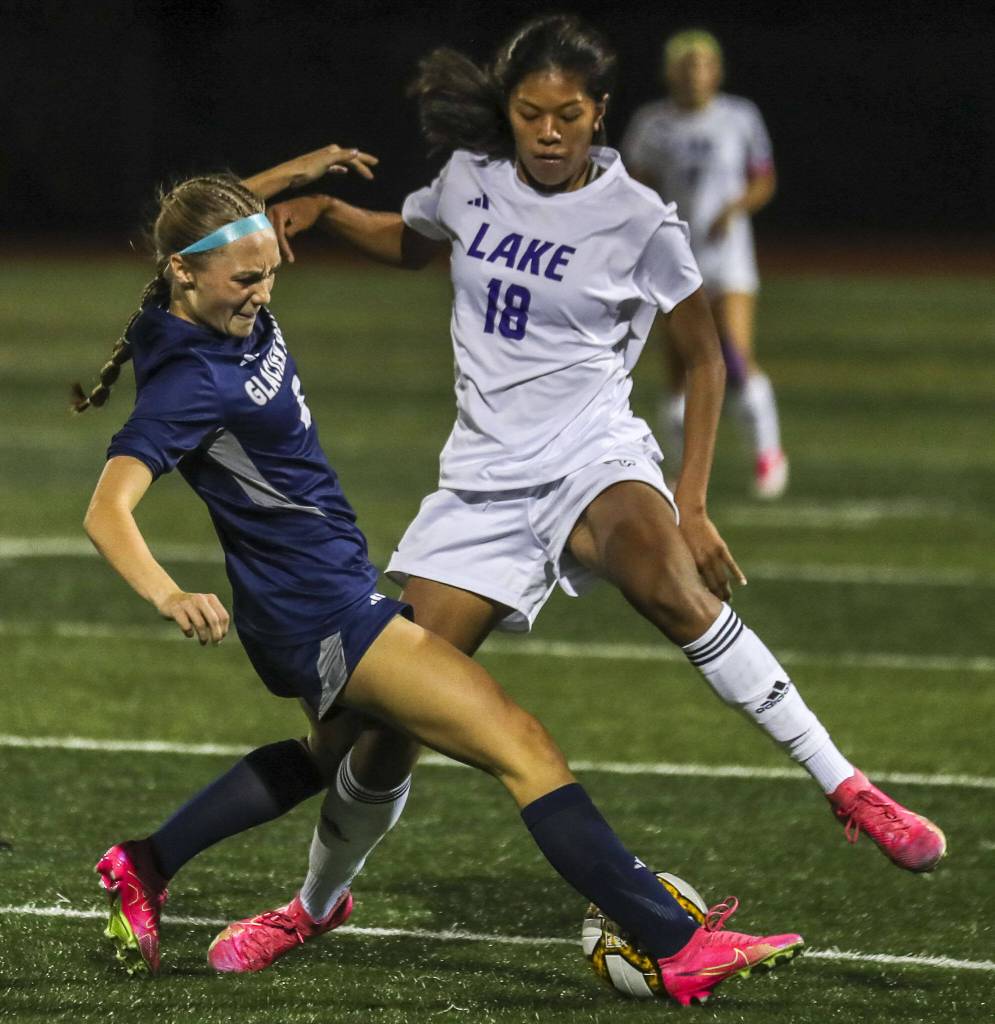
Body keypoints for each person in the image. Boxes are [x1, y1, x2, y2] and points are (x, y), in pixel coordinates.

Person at [184, 15, 940, 977]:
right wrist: (330, 216)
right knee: (368, 734)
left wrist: (693, 502)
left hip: (593, 456)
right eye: (530, 113)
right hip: (480, 489)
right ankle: (314, 906)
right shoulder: (470, 181)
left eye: (568, 115)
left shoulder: (638, 217)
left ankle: (845, 786)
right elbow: (413, 242)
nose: (547, 132)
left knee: (671, 585)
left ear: (599, 115)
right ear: (509, 112)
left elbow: (703, 358)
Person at [73, 150, 803, 1005]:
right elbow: (106, 509)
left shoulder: (208, 297)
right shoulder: (187, 381)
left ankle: (146, 863)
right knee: (520, 745)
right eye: (245, 279)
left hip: (323, 593)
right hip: (318, 614)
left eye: (269, 273)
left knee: (327, 756)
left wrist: (302, 173)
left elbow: (232, 218)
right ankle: (676, 944)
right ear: (182, 274)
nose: (263, 292)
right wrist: (168, 592)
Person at [621, 29, 787, 499]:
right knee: (679, 370)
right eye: (685, 65)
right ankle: (680, 474)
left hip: (728, 258)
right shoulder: (652, 124)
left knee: (734, 352)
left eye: (702, 65)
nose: (694, 75)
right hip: (674, 259)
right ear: (670, 72)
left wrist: (733, 209)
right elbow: (638, 187)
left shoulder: (739, 117)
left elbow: (763, 180)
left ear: (716, 71)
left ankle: (768, 453)